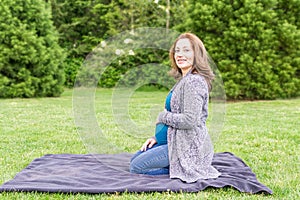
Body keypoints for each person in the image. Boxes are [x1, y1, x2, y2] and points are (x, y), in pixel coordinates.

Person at [129, 33, 221, 183]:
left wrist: (161, 116)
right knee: (136, 158)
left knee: (137, 167)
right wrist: (156, 138)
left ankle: (181, 167)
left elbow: (189, 120)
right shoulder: (184, 79)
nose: (180, 55)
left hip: (187, 146)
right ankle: (171, 162)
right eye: (177, 51)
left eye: (186, 50)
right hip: (173, 140)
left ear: (196, 54)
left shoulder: (193, 82)